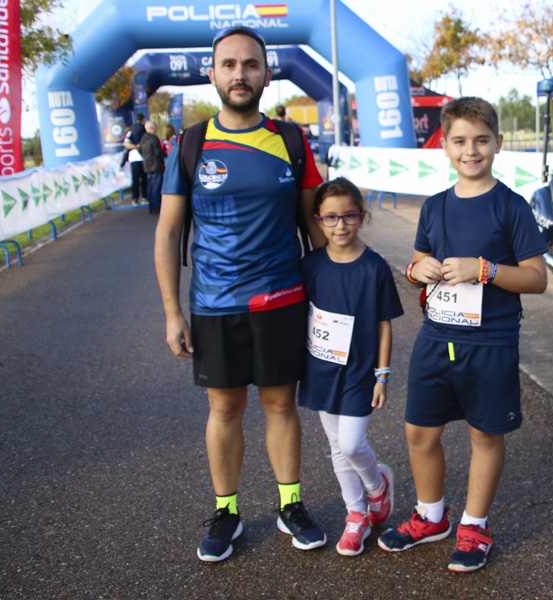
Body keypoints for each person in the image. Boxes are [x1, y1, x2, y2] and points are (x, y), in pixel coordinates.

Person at [154, 25, 328, 563]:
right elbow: (166, 231)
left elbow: (316, 226)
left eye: (250, 64)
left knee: (280, 404)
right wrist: (171, 312)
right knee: (224, 409)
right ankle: (226, 511)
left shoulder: (291, 141)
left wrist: (334, 299)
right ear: (212, 74)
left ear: (266, 74)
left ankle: (290, 504)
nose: (239, 74)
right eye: (228, 65)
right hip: (214, 303)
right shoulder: (191, 143)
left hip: (281, 299)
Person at [376, 97, 547, 573]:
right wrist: (416, 269)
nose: (470, 150)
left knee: (485, 435)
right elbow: (415, 265)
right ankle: (432, 516)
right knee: (418, 432)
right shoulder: (434, 206)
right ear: (445, 147)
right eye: (459, 141)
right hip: (436, 337)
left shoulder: (512, 206)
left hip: (490, 342)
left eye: (480, 140)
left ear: (496, 143)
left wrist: (486, 269)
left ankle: (475, 524)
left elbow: (537, 279)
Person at [299, 177, 404, 556]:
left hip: (361, 372)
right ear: (318, 220)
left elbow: (384, 324)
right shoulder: (309, 265)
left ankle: (377, 486)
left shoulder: (374, 267)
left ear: (362, 216)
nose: (340, 225)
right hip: (321, 370)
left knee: (351, 442)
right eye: (330, 218)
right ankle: (356, 514)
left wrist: (383, 375)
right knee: (335, 446)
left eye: (349, 216)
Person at [139, 120, 166, 214]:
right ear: (152, 128)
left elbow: (140, 150)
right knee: (156, 187)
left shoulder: (143, 139)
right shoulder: (154, 139)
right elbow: (158, 152)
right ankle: (156, 207)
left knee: (150, 186)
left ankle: (151, 206)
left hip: (147, 165)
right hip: (156, 165)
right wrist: (165, 153)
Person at [122, 113, 147, 204]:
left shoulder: (131, 131)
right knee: (144, 179)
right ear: (143, 119)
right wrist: (138, 147)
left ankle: (135, 199)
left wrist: (134, 147)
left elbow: (125, 143)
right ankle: (144, 197)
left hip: (133, 159)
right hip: (143, 158)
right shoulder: (144, 130)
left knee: (135, 180)